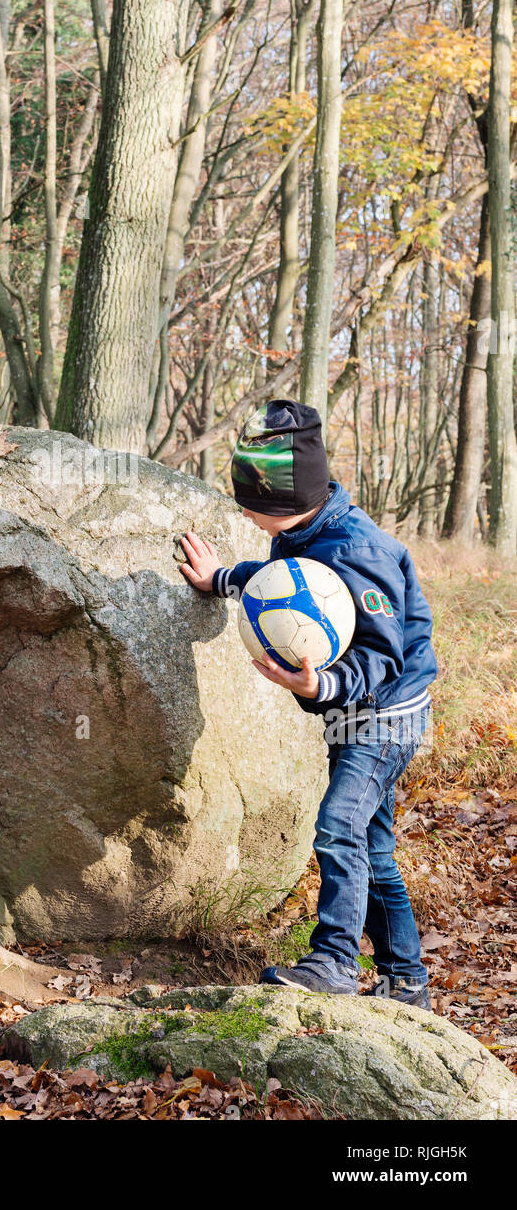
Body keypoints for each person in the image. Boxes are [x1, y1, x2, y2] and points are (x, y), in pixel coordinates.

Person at [179, 399, 438, 1008]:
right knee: (374, 851)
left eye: (251, 501)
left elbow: (384, 656)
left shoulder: (354, 552)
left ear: (287, 500)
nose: (243, 509)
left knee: (338, 825)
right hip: (352, 715)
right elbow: (285, 588)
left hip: (384, 715)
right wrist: (222, 579)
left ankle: (334, 962)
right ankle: (408, 983)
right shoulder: (304, 532)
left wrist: (319, 687)